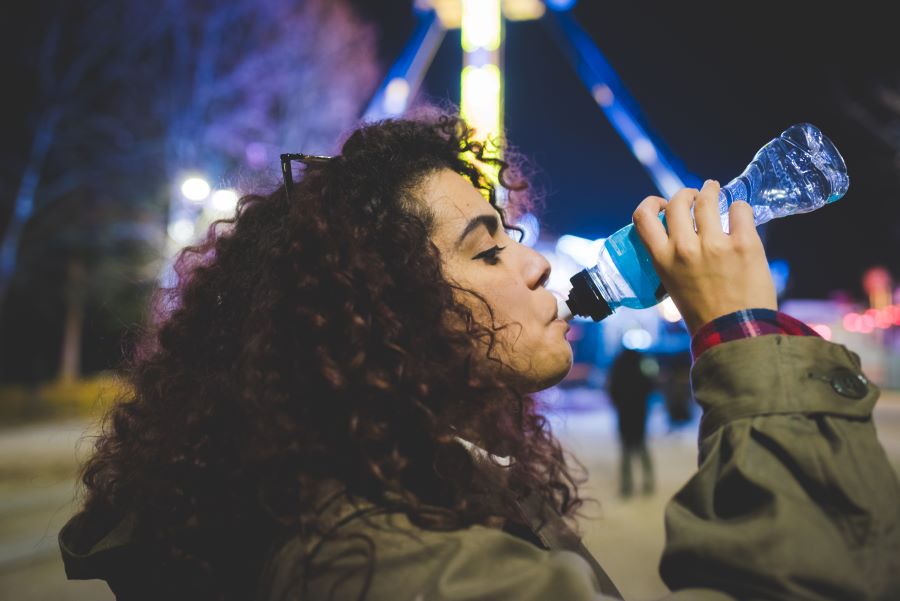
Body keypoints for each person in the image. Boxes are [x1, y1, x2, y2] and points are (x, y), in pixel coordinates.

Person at [58, 110, 900, 600]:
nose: (537, 263)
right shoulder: (393, 567)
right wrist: (742, 332)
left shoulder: (413, 494)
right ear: (386, 312)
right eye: (487, 249)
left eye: (515, 238)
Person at [606, 347, 655, 497]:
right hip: (639, 411)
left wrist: (618, 403)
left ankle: (627, 485)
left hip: (625, 412)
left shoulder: (618, 362)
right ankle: (647, 483)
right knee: (640, 447)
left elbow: (612, 387)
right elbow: (651, 382)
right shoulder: (643, 360)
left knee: (627, 449)